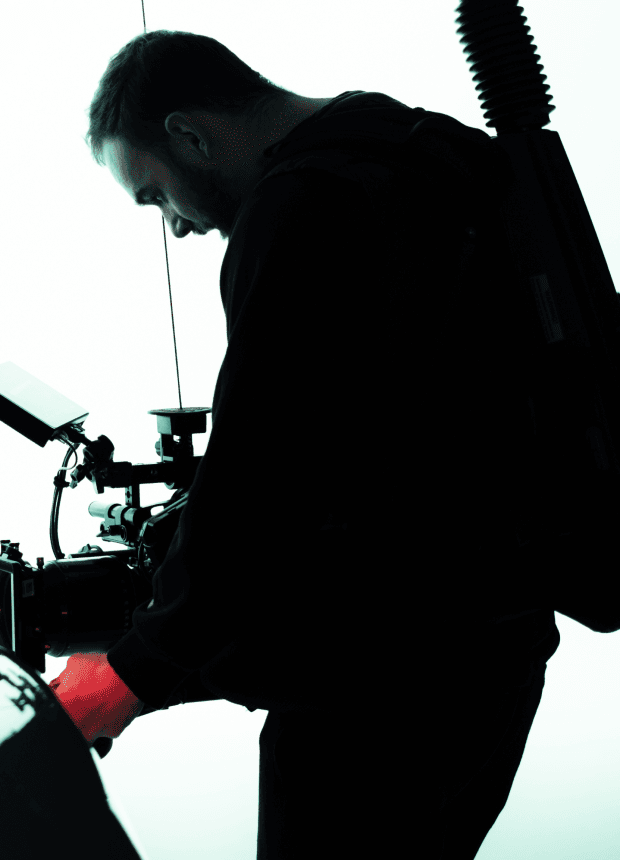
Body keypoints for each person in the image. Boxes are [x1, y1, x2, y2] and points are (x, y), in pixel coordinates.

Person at [46, 31, 566, 859]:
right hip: (499, 654)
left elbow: (263, 481)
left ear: (189, 134)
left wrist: (131, 673)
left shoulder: (302, 205)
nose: (176, 228)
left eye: (155, 197)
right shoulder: (431, 153)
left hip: (372, 695)